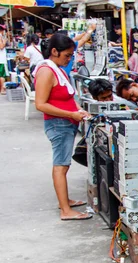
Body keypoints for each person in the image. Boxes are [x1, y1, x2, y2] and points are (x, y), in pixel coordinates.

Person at [34, 34, 92, 221]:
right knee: (61, 166)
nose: (69, 59)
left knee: (63, 165)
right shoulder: (46, 71)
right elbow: (41, 104)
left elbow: (66, 97)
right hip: (59, 125)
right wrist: (71, 114)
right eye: (67, 55)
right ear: (54, 52)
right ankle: (65, 210)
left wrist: (78, 110)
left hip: (66, 123)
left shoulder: (57, 69)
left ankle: (64, 201)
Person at [0, 24, 8, 95]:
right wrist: (5, 41)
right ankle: (2, 89)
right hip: (1, 59)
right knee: (2, 75)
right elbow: (1, 46)